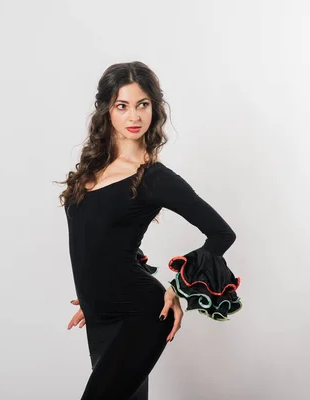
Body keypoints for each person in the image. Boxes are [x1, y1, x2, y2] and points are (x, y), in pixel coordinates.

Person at [58, 61, 243, 400]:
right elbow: (98, 240)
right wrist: (94, 292)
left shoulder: (153, 178)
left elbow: (221, 233)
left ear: (154, 109)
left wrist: (176, 287)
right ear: (107, 111)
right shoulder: (94, 168)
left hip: (141, 313)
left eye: (143, 105)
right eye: (122, 106)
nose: (134, 117)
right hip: (100, 316)